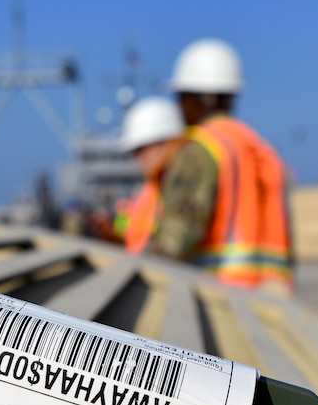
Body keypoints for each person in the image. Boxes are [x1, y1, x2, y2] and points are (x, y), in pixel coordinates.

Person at [147, 39, 293, 290]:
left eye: (182, 97)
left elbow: (175, 238)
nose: (179, 107)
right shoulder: (262, 150)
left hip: (219, 299)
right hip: (271, 304)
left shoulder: (201, 149)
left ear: (204, 98)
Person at [113, 96, 185, 253]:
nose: (137, 158)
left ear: (166, 141)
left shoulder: (185, 186)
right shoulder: (150, 190)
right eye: (134, 152)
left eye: (141, 149)